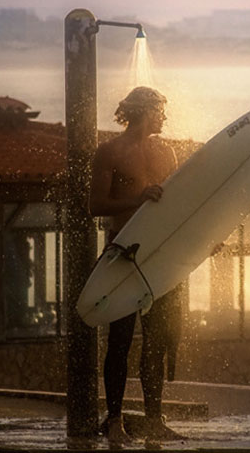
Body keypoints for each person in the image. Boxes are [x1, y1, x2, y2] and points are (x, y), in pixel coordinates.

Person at [89, 86, 184, 443]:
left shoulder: (167, 152)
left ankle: (155, 419)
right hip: (122, 252)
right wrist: (137, 197)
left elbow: (175, 206)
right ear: (143, 111)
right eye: (160, 110)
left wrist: (202, 238)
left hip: (159, 255)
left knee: (156, 341)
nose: (164, 117)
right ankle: (114, 422)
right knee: (120, 341)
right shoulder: (110, 152)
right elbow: (95, 205)